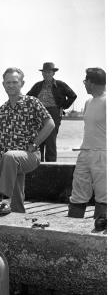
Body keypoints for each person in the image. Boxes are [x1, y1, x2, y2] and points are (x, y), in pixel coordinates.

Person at [0, 67, 55, 215]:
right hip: (9, 160)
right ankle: (17, 215)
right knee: (16, 192)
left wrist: (35, 144)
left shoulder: (32, 102)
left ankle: (4, 201)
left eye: (14, 82)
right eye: (8, 82)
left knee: (10, 157)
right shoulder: (2, 110)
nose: (11, 85)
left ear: (22, 83)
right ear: (3, 84)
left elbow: (50, 124)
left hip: (30, 155)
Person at [68, 68, 106, 231]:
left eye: (85, 81)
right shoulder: (88, 102)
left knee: (103, 195)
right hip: (85, 152)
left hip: (103, 153)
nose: (84, 85)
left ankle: (100, 229)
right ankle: (70, 227)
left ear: (91, 82)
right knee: (78, 194)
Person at [26, 62, 77, 162]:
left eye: (49, 72)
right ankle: (38, 167)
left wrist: (62, 107)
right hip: (38, 115)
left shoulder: (60, 85)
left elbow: (73, 95)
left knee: (50, 142)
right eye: (44, 72)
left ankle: (51, 168)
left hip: (54, 113)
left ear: (53, 73)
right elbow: (28, 98)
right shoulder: (37, 85)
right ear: (42, 73)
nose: (46, 74)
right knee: (38, 141)